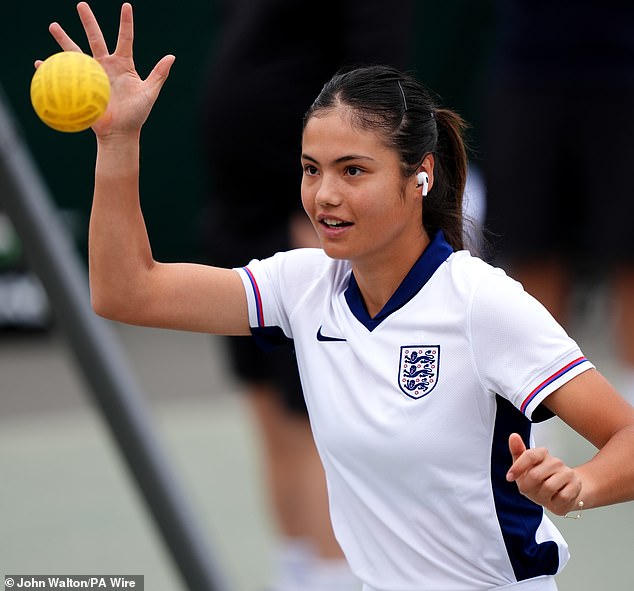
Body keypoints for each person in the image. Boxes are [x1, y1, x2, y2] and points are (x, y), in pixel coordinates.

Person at [40, 4, 634, 590]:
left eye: (353, 171)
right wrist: (117, 142)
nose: (324, 195)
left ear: (419, 176)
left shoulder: (481, 302)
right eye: (311, 169)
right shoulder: (302, 285)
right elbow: (127, 292)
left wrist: (579, 485)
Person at [197, 2, 412, 589]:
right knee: (269, 412)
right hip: (241, 212)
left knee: (314, 421)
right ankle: (296, 576)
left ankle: (335, 579)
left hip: (305, 219)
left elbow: (375, 78)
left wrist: (320, 203)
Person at [482, 0, 634, 405]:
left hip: (624, 70)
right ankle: (539, 419)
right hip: (529, 65)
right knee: (531, 247)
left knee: (629, 254)